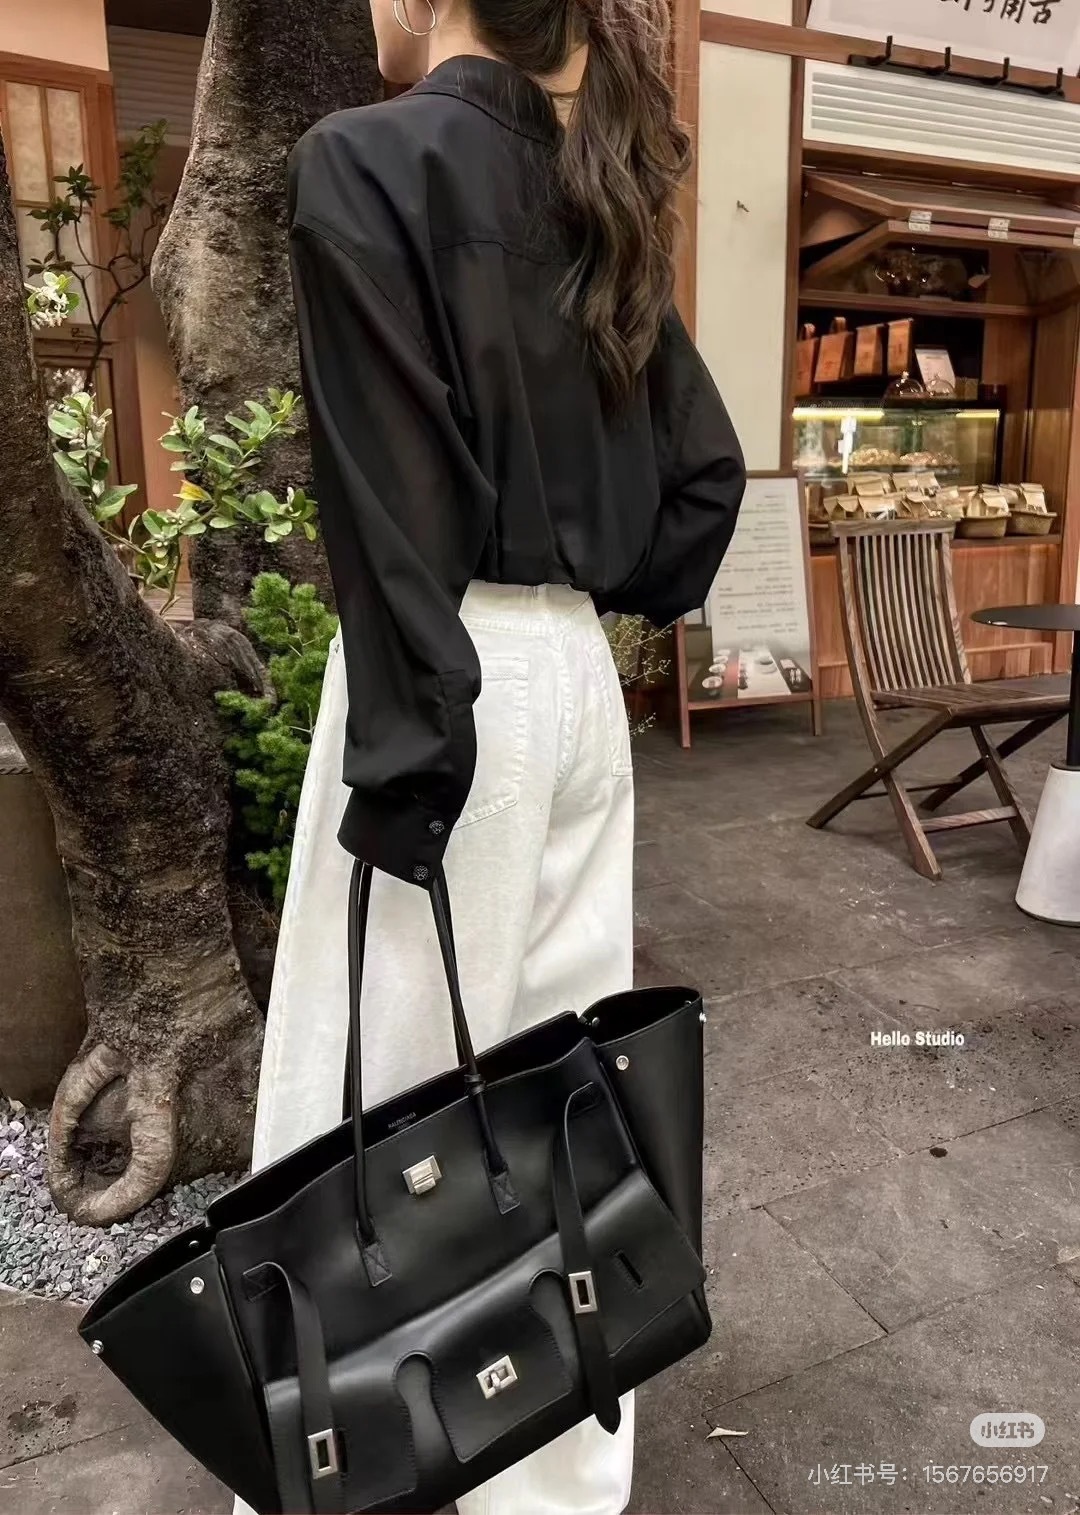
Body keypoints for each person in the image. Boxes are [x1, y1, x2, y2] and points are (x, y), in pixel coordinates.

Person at [244, 0, 745, 1510]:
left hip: (440, 666)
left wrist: (410, 764)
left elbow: (388, 499)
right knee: (561, 1102)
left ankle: (360, 1465)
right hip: (573, 672)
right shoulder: (601, 196)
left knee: (371, 1120)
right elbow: (704, 478)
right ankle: (559, 1471)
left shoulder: (365, 161)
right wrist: (592, 579)